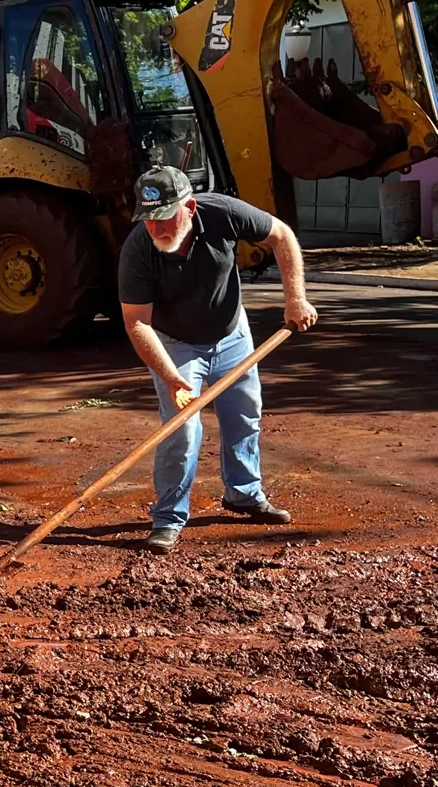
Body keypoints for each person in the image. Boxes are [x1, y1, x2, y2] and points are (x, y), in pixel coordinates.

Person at [118, 165, 317, 555]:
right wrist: (173, 378)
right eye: (148, 221)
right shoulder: (137, 251)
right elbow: (137, 323)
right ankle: (169, 517)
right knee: (182, 429)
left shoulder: (222, 212)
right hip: (175, 344)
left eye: (165, 218)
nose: (156, 229)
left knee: (244, 411)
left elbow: (282, 236)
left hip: (232, 333)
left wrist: (295, 298)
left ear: (189, 207)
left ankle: (244, 494)